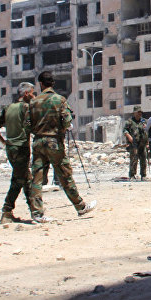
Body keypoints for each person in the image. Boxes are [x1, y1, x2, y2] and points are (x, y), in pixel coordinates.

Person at [27, 71, 96, 222]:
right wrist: (64, 127)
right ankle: (80, 206)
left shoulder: (33, 102)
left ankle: (37, 213)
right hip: (54, 143)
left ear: (41, 84)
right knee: (64, 175)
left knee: (37, 179)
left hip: (38, 142)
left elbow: (27, 124)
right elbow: (66, 121)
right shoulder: (60, 100)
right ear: (53, 83)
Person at [0, 82, 37, 224]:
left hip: (10, 148)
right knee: (18, 180)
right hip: (21, 148)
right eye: (32, 93)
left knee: (25, 178)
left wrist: (2, 140)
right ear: (25, 94)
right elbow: (32, 126)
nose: (33, 95)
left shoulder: (8, 108)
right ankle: (7, 210)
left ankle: (35, 210)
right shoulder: (26, 108)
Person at [123, 106, 148, 180]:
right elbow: (124, 130)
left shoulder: (143, 121)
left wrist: (147, 143)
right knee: (134, 159)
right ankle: (132, 175)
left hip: (142, 143)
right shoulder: (130, 121)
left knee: (143, 159)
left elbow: (146, 132)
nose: (139, 114)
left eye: (140, 112)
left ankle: (143, 175)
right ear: (134, 113)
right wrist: (129, 136)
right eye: (138, 112)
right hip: (134, 144)